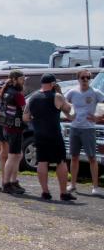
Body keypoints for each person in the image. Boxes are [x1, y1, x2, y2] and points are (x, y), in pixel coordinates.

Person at [24, 73, 74, 201]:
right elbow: (68, 109)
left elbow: (25, 117)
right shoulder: (56, 96)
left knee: (42, 162)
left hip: (39, 133)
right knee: (61, 161)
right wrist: (61, 94)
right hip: (54, 133)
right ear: (52, 84)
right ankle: (63, 193)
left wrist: (35, 118)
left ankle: (45, 192)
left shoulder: (33, 98)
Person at [64, 71, 104, 196]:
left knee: (92, 157)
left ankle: (95, 187)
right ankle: (73, 184)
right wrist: (68, 115)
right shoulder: (73, 92)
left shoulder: (95, 92)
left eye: (88, 77)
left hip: (89, 128)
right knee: (74, 157)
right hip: (75, 127)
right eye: (83, 77)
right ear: (78, 79)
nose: (85, 79)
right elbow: (61, 103)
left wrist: (99, 117)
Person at [0, 70, 27, 195]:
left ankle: (13, 181)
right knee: (13, 156)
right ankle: (6, 183)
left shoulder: (5, 92)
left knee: (18, 154)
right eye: (22, 79)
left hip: (7, 127)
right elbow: (24, 109)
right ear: (15, 80)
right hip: (14, 128)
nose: (24, 81)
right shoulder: (17, 94)